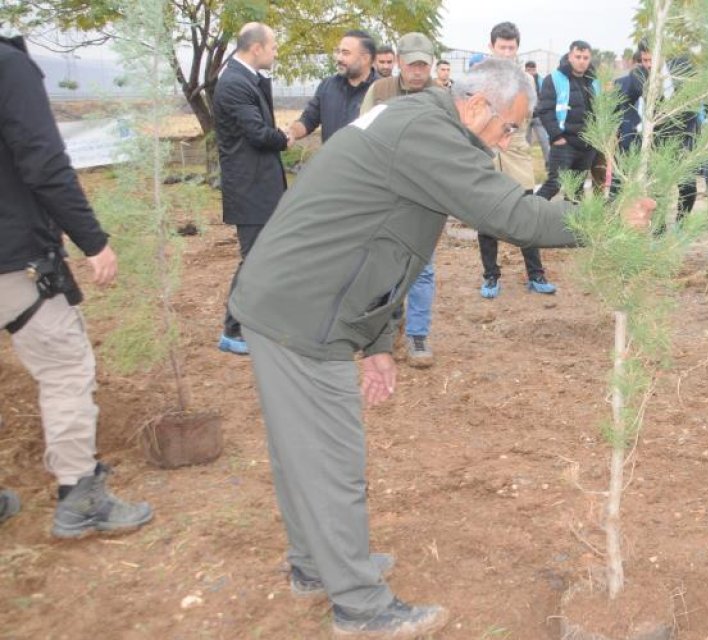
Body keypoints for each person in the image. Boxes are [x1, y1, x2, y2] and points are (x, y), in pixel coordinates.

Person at [228, 59, 654, 636]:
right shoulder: (425, 133)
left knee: (299, 452)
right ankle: (359, 606)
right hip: (303, 313)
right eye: (509, 128)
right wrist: (606, 221)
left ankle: (315, 565)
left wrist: (376, 339)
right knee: (330, 462)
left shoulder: (420, 123)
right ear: (477, 105)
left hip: (297, 298)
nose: (509, 140)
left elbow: (391, 242)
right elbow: (512, 214)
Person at [0, 33, 153, 538]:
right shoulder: (8, 66)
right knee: (66, 367)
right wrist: (92, 239)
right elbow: (43, 160)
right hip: (11, 258)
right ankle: (79, 495)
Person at [359, 32, 436, 367]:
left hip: (425, 198)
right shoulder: (380, 92)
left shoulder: (441, 96)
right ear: (399, 62)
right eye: (411, 64)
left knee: (422, 269)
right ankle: (384, 334)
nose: (417, 71)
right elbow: (361, 135)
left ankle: (418, 336)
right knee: (381, 267)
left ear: (431, 64)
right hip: (384, 193)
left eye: (423, 64)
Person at [213, 23, 290, 356]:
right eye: (272, 46)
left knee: (265, 258)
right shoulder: (233, 83)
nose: (276, 52)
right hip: (250, 189)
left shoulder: (247, 78)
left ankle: (256, 321)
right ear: (256, 48)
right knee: (255, 260)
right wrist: (285, 136)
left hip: (261, 187)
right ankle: (234, 329)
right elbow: (259, 134)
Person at [479, 22, 556, 298]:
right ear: (492, 47)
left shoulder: (526, 80)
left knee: (526, 217)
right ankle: (490, 276)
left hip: (518, 156)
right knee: (486, 220)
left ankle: (536, 275)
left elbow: (525, 114)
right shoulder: (478, 78)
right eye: (502, 47)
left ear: (517, 49)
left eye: (511, 48)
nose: (507, 52)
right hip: (487, 157)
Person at [534, 41, 601, 204]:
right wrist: (557, 136)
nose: (581, 61)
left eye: (585, 57)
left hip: (587, 145)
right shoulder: (554, 79)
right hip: (564, 143)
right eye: (578, 56)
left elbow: (599, 109)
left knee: (576, 190)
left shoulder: (594, 81)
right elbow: (545, 109)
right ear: (570, 56)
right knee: (554, 184)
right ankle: (528, 217)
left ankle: (569, 227)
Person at [289, 30, 377, 143]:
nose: (339, 58)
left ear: (365, 58)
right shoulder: (327, 86)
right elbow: (308, 120)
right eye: (338, 52)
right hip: (331, 160)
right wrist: (292, 132)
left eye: (346, 53)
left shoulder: (382, 90)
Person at [524, 60, 551, 157]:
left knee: (544, 140)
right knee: (526, 142)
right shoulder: (522, 81)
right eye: (528, 70)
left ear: (535, 69)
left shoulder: (541, 81)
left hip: (538, 116)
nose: (531, 72)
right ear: (525, 70)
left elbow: (546, 97)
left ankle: (549, 162)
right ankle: (526, 161)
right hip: (525, 117)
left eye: (533, 69)